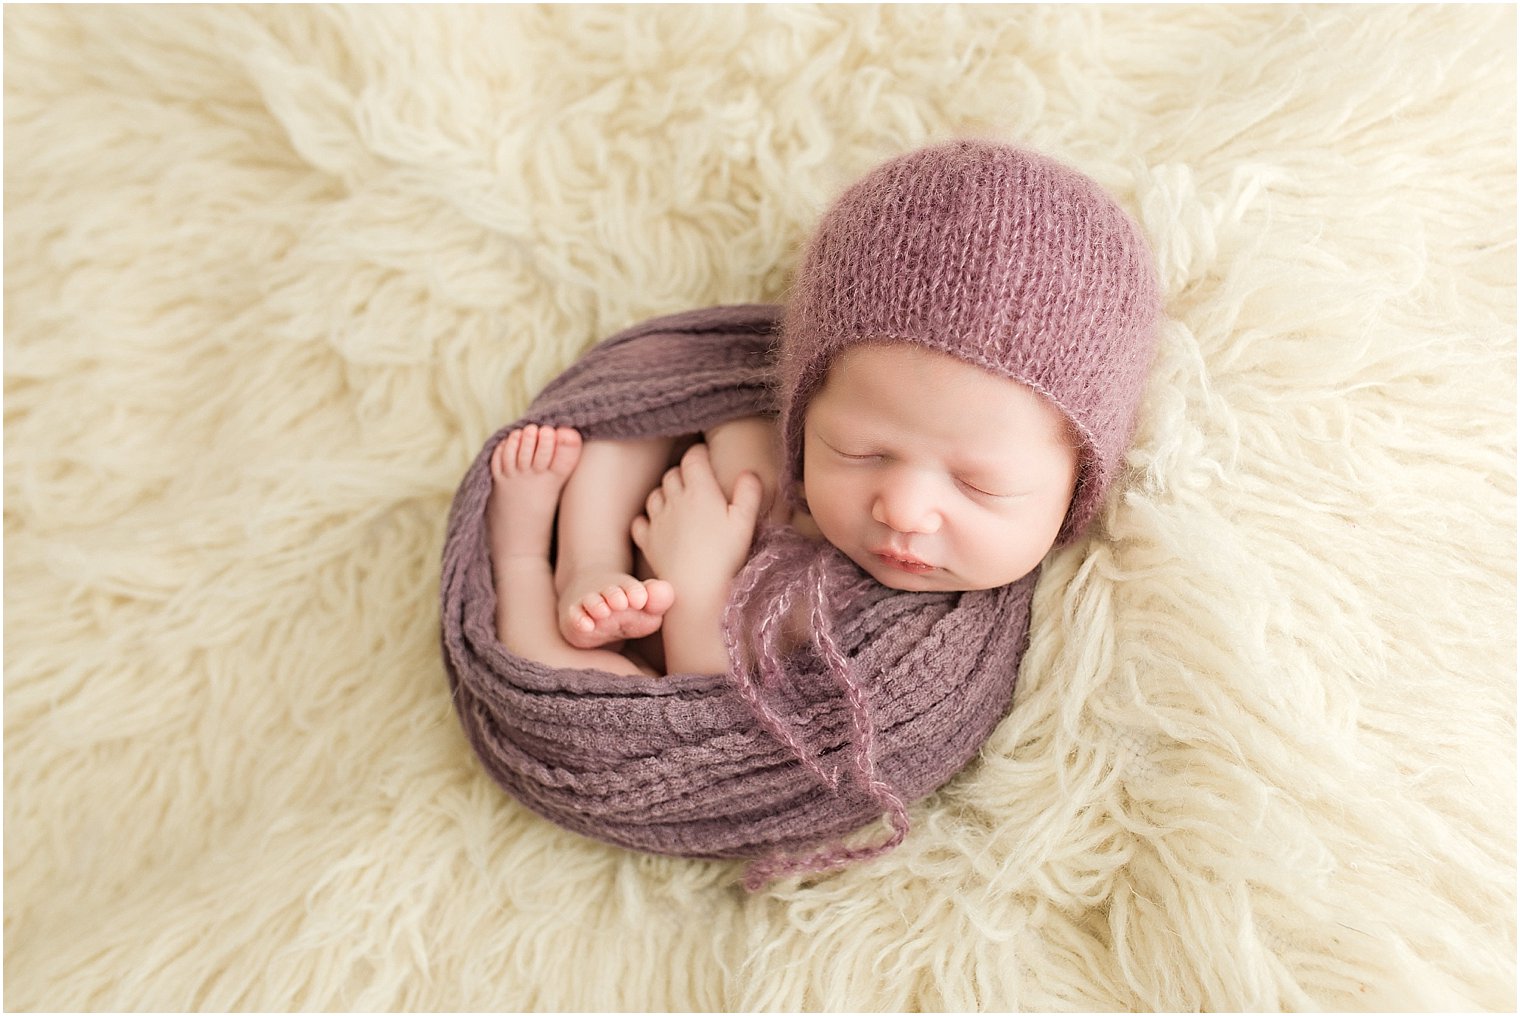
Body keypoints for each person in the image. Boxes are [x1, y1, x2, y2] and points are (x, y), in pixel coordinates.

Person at [484, 137, 1158, 681]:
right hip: (644, 549)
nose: (902, 510)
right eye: (858, 450)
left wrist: (696, 584)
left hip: (659, 667)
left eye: (981, 484)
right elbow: (656, 400)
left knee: (557, 668)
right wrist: (607, 560)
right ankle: (580, 563)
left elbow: (725, 737)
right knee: (637, 425)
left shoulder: (919, 648)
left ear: (1078, 489)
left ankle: (519, 556)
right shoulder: (769, 447)